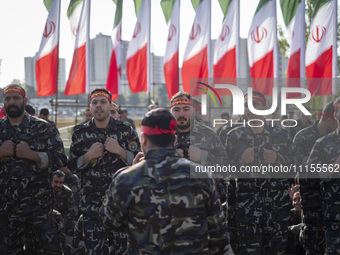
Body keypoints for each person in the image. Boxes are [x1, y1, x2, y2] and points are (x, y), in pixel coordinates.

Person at [99, 108, 233, 254]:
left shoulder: (126, 179)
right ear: (174, 139)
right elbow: (218, 235)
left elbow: (111, 221)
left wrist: (130, 171)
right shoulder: (202, 176)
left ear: (143, 139)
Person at [68, 88, 140, 254]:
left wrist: (120, 151)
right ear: (90, 106)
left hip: (120, 204)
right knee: (94, 251)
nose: (98, 106)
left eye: (103, 102)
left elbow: (139, 162)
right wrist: (87, 156)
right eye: (94, 102)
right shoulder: (80, 132)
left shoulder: (125, 130)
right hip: (91, 205)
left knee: (122, 250)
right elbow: (71, 166)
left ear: (110, 106)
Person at [222, 90, 295, 254]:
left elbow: (295, 165)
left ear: (265, 107)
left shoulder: (281, 134)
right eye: (246, 105)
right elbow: (224, 169)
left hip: (276, 209)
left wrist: (278, 159)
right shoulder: (233, 136)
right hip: (247, 210)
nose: (250, 109)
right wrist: (241, 162)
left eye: (255, 104)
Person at [0, 84, 67, 254]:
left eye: (16, 98)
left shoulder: (43, 128)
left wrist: (32, 155)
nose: (12, 102)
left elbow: (60, 159)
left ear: (25, 101)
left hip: (39, 209)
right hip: (6, 210)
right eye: (7, 98)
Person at [293, 101, 337, 254]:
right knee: (314, 246)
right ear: (332, 119)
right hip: (313, 203)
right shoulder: (303, 137)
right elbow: (300, 169)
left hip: (333, 204)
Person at [305, 97, 340, 254]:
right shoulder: (323, 143)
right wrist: (333, 167)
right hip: (334, 215)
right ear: (336, 115)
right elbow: (310, 174)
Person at [52, 170, 77, 238]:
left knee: (73, 227)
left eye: (61, 182)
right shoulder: (46, 191)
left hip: (63, 220)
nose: (58, 185)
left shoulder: (68, 192)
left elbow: (71, 211)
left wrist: (61, 222)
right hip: (48, 218)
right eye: (56, 182)